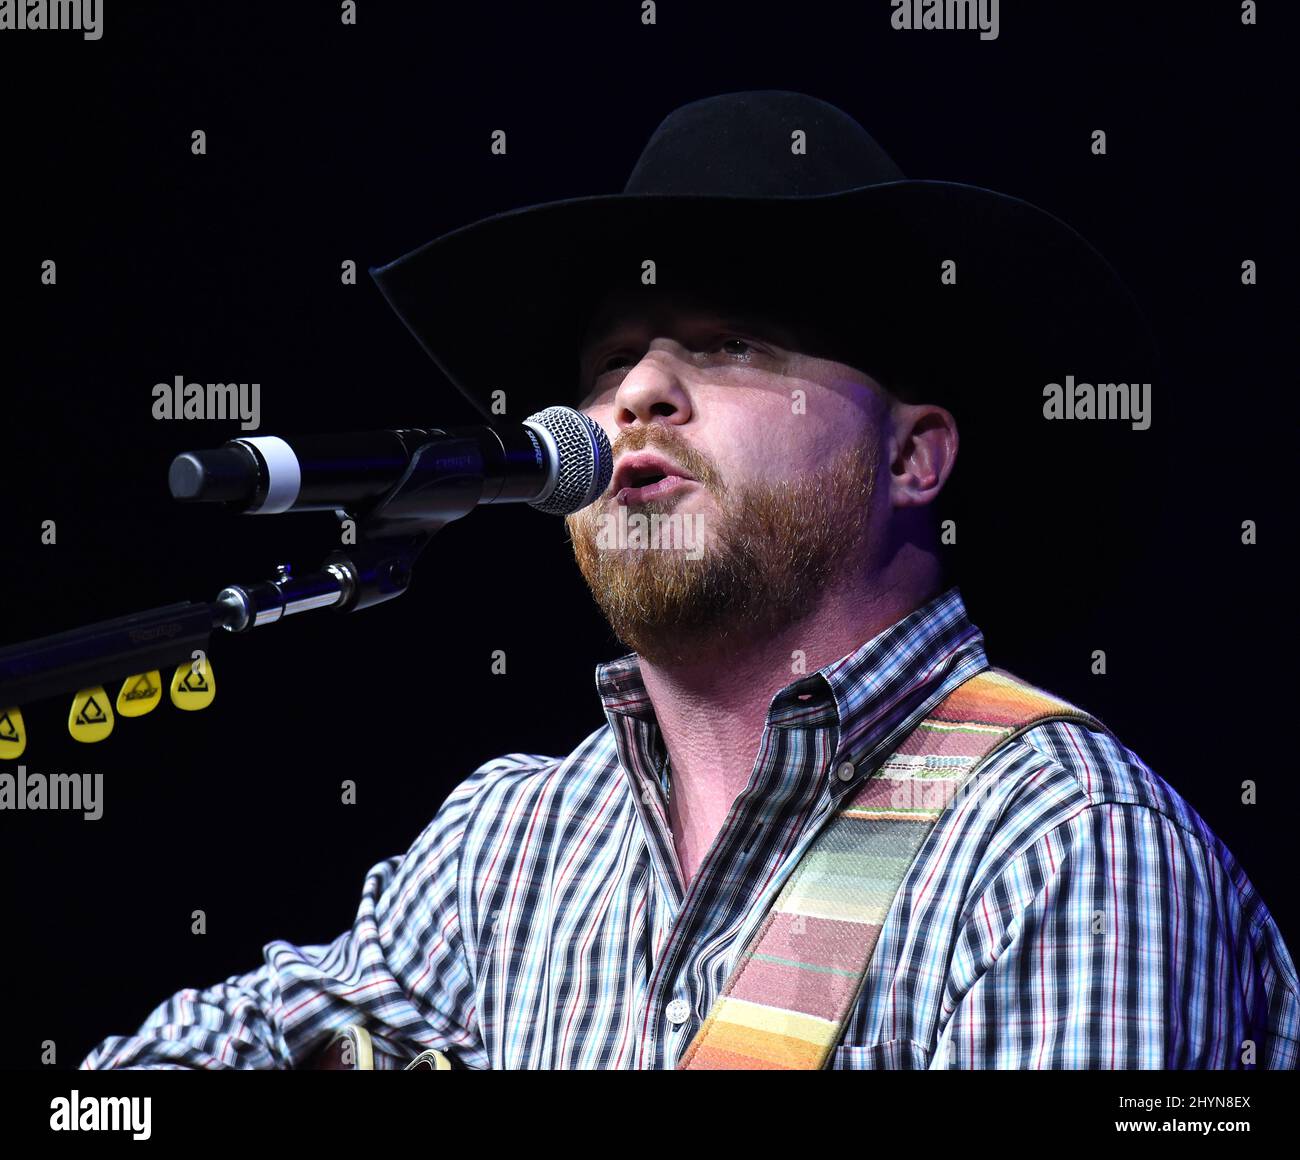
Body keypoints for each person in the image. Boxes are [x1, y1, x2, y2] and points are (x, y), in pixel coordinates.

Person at [82, 91, 1297, 1070]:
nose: (638, 396)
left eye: (725, 346)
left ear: (912, 454)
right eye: (612, 361)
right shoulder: (514, 842)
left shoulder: (1062, 847)